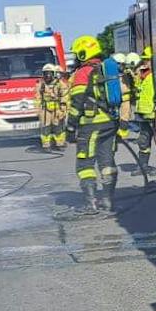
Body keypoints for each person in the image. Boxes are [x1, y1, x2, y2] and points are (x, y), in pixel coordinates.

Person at [66, 34, 121, 214]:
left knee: (85, 164)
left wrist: (70, 126)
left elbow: (77, 102)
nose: (75, 58)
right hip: (109, 123)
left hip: (90, 124)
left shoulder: (83, 72)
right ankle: (108, 201)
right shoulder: (105, 69)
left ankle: (91, 204)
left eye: (77, 54)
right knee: (107, 162)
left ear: (83, 53)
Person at [132, 46, 156, 166]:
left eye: (147, 60)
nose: (145, 62)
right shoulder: (143, 74)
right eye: (144, 60)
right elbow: (136, 89)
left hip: (155, 114)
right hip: (143, 114)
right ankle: (143, 166)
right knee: (143, 141)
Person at [37, 63, 68, 152]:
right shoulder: (41, 85)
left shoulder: (60, 84)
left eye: (50, 73)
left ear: (53, 73)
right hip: (45, 109)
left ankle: (60, 144)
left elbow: (64, 97)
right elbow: (37, 97)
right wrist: (38, 110)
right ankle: (46, 145)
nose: (47, 75)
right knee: (45, 128)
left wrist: (63, 110)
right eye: (45, 73)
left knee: (58, 127)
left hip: (57, 108)